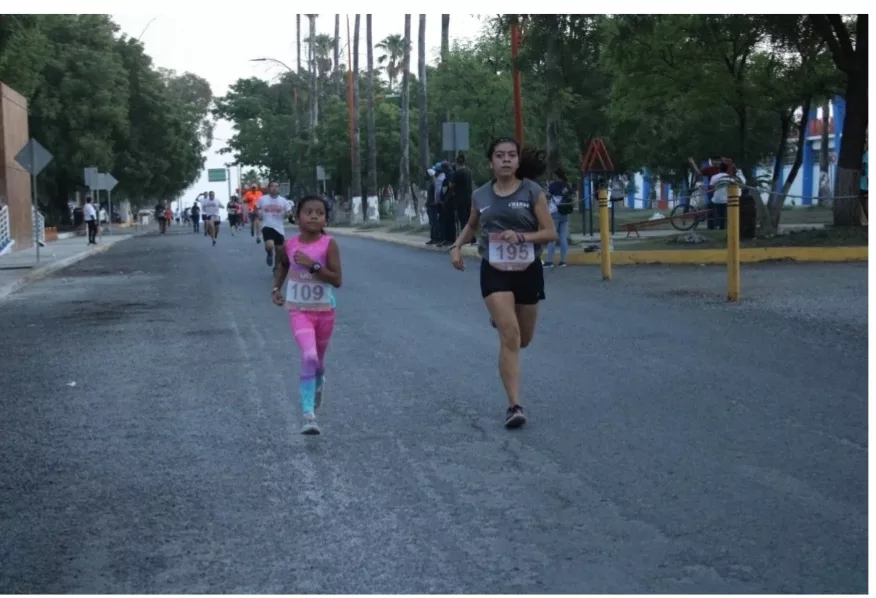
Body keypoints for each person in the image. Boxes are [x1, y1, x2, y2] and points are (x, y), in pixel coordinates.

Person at [448, 138, 557, 429]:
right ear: (491, 163)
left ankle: (502, 318)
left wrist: (523, 237)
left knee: (524, 339)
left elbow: (550, 233)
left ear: (518, 162)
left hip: (528, 268)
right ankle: (514, 406)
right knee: (510, 336)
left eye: (511, 155)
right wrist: (457, 246)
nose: (506, 160)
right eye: (499, 155)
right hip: (494, 268)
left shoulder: (533, 192)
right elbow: (472, 225)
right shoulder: (481, 195)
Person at [271, 195, 343, 435]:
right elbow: (282, 265)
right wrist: (276, 288)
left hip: (324, 312)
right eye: (308, 212)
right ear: (297, 217)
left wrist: (313, 265)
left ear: (325, 220)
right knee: (309, 356)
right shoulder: (290, 245)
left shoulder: (328, 244)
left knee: (319, 362)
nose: (314, 216)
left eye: (319, 213)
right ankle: (308, 415)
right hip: (299, 311)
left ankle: (319, 382)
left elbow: (337, 280)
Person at [254, 181, 294, 268]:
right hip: (267, 225)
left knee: (279, 250)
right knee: (269, 245)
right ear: (269, 188)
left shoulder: (283, 201)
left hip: (279, 227)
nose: (274, 188)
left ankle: (276, 267)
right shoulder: (263, 199)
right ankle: (269, 253)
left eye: (276, 186)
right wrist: (258, 214)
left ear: (278, 189)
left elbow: (289, 211)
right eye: (272, 186)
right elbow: (256, 208)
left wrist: (288, 214)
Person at [544, 168, 573, 268]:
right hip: (565, 213)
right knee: (563, 238)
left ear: (556, 176)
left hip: (554, 212)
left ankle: (549, 261)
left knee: (552, 236)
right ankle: (563, 261)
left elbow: (547, 195)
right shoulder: (567, 185)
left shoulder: (553, 185)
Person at [451, 153, 474, 244]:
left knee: (463, 219)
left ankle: (466, 238)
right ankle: (472, 238)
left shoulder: (458, 173)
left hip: (460, 200)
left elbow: (451, 184)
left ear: (457, 162)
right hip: (469, 198)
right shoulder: (468, 171)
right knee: (469, 219)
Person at [709, 162, 730, 230]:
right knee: (725, 213)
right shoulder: (730, 178)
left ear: (719, 169)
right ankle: (724, 226)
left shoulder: (714, 177)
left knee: (714, 209)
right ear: (727, 169)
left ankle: (715, 226)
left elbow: (711, 188)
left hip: (716, 200)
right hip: (727, 200)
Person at [424, 169, 441, 246]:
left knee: (434, 222)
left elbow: (436, 195)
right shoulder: (432, 183)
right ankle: (433, 238)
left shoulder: (434, 184)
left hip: (433, 206)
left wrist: (433, 203)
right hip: (430, 205)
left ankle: (436, 238)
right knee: (432, 222)